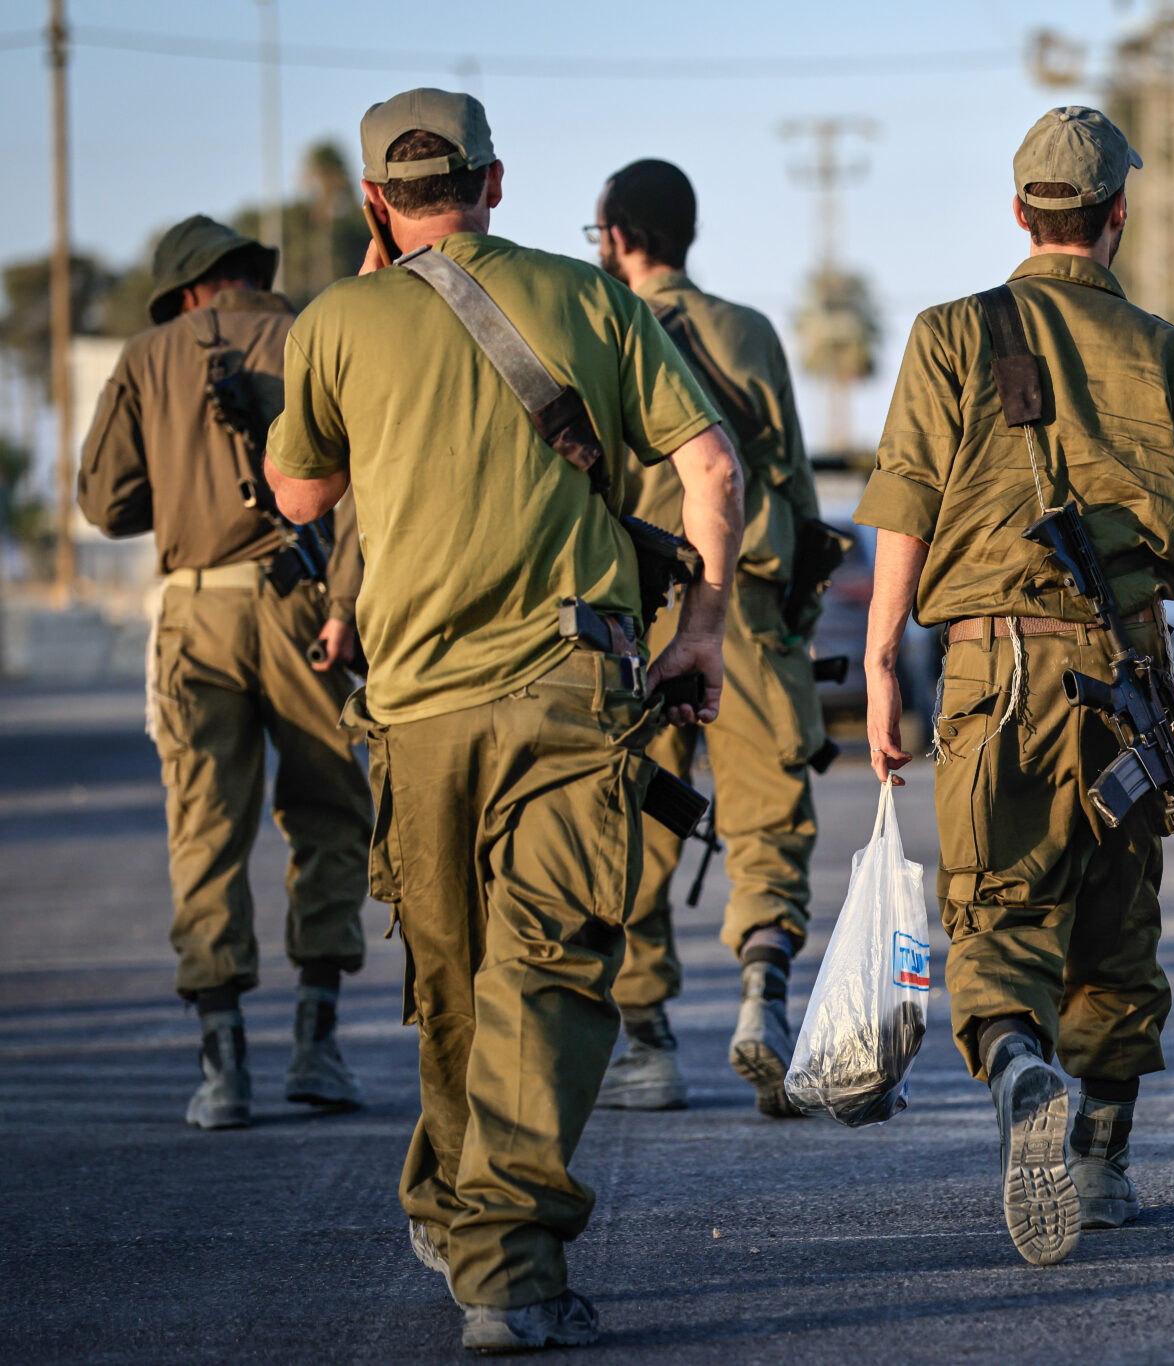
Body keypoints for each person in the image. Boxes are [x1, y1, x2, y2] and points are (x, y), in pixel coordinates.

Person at [265, 88, 742, 1353]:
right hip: (572, 694)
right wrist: (699, 631)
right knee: (547, 971)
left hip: (414, 714)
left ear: (376, 200)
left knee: (455, 978)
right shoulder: (591, 300)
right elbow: (711, 466)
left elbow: (298, 490)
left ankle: (473, 1230)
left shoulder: (337, 320)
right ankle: (505, 1262)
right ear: (492, 182)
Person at [858, 106, 1174, 1267]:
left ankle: (1018, 1063)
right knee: (1117, 919)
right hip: (1128, 668)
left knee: (996, 904)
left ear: (1019, 213)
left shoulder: (948, 334)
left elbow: (904, 502)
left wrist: (877, 660)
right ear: (1118, 216)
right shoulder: (1173, 355)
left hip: (992, 661)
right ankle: (1101, 1160)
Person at [77, 215, 373, 1132]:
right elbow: (367, 492)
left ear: (188, 292)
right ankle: (318, 1044)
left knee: (205, 824)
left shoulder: (146, 355)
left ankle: (223, 1066)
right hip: (307, 611)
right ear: (249, 274)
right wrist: (345, 607)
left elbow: (104, 502)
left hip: (196, 614)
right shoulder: (314, 333)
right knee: (328, 813)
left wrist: (183, 485)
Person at [589, 159, 830, 1118]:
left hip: (636, 612)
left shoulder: (599, 330)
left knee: (632, 817)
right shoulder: (750, 332)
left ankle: (647, 1042)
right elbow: (796, 489)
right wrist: (792, 619)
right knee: (770, 816)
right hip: (748, 602)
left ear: (617, 236)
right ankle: (764, 996)